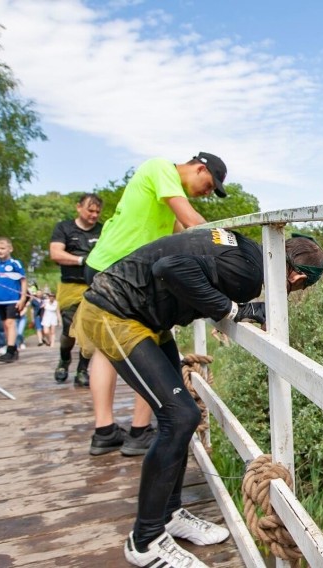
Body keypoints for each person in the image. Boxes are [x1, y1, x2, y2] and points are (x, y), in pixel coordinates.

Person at [71, 230, 323, 568]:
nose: (293, 293)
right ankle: (144, 540)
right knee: (179, 417)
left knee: (182, 417)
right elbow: (169, 268)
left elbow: (195, 269)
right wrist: (233, 310)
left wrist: (228, 308)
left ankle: (170, 513)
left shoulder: (249, 252)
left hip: (146, 314)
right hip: (115, 311)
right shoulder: (251, 274)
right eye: (300, 288)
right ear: (295, 276)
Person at [84, 152, 227, 457]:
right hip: (121, 270)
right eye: (210, 185)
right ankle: (138, 430)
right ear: (200, 168)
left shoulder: (163, 197)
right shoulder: (162, 169)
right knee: (150, 341)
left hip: (105, 265)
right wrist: (231, 245)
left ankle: (104, 431)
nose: (208, 193)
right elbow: (193, 224)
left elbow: (181, 231)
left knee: (104, 348)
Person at [49, 193, 103, 386]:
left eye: (97, 211)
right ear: (79, 207)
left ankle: (82, 370)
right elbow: (56, 253)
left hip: (95, 286)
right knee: (69, 329)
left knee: (90, 332)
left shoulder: (103, 230)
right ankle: (64, 360)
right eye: (90, 210)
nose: (94, 215)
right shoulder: (64, 228)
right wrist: (81, 260)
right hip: (71, 286)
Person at [0, 237, 28, 363]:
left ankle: (10, 351)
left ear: (10, 249)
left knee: (10, 323)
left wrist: (22, 297)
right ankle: (12, 349)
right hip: (0, 300)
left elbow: (23, 280)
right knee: (5, 326)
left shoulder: (14, 264)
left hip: (13, 299)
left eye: (2, 248)